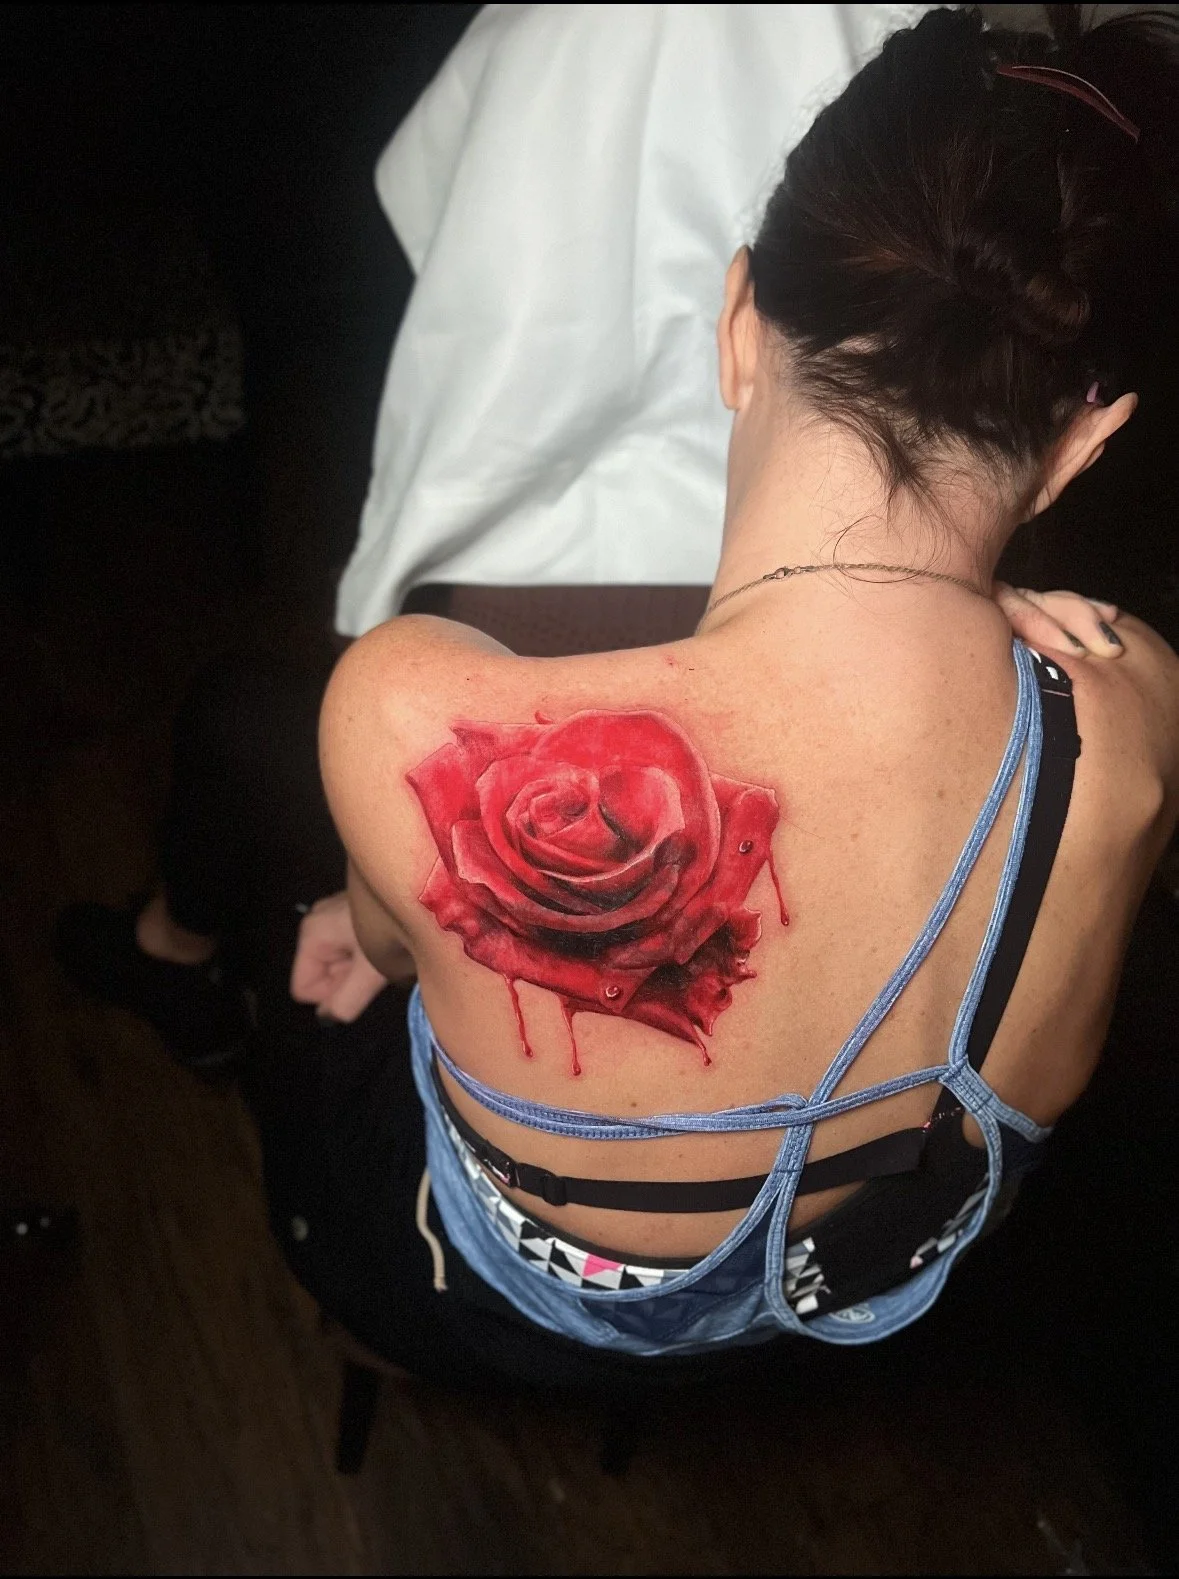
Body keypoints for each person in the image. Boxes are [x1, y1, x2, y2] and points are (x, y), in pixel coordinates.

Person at [56, 6, 1178, 1381]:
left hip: (471, 1298)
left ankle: (181, 983)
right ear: (1084, 440)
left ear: (736, 324)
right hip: (820, 1313)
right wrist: (981, 611)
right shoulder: (1136, 719)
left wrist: (370, 916)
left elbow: (389, 952)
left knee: (251, 754)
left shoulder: (410, 706)